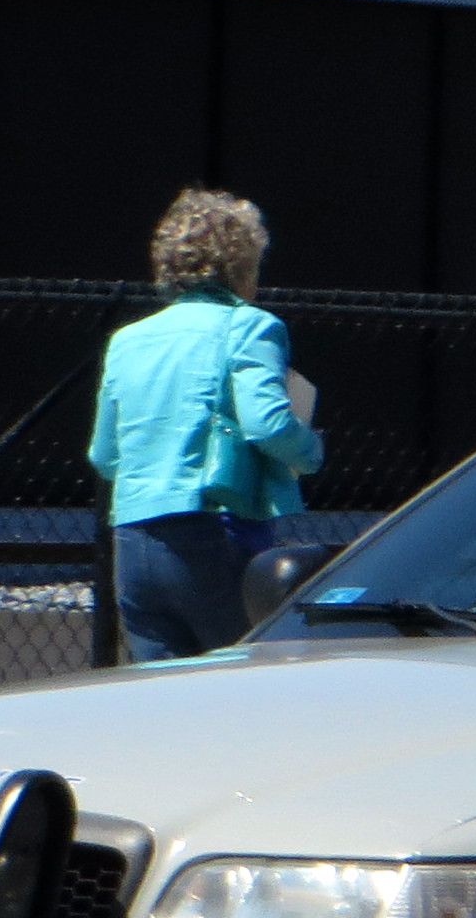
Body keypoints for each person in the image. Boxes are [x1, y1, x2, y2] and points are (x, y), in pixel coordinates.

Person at [89, 189, 323, 661]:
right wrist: (311, 451)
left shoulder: (127, 340)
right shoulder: (251, 326)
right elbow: (267, 423)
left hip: (133, 541)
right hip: (215, 531)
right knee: (242, 684)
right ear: (239, 265)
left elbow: (104, 454)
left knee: (165, 702)